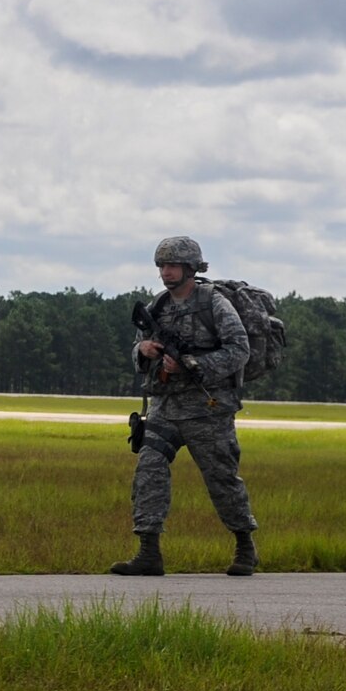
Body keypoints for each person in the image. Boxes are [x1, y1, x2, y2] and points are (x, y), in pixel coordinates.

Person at [111, 235, 258, 577]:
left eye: (173, 265)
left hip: (207, 410)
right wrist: (143, 351)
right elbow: (137, 349)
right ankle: (148, 552)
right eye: (162, 265)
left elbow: (239, 349)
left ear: (191, 267)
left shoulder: (215, 304)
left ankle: (245, 546)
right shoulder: (158, 305)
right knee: (148, 471)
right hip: (164, 408)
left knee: (221, 478)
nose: (166, 272)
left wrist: (193, 365)